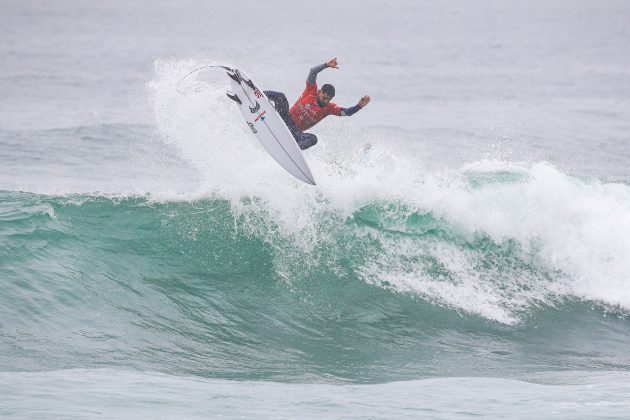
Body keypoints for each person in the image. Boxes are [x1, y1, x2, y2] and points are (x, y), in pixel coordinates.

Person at [264, 58, 371, 150]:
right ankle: (255, 92)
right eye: (324, 98)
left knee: (313, 139)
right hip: (284, 120)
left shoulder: (329, 108)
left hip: (295, 133)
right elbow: (313, 72)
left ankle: (292, 149)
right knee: (280, 97)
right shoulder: (311, 90)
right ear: (319, 92)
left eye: (328, 99)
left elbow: (347, 112)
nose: (325, 101)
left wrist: (358, 106)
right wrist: (326, 65)